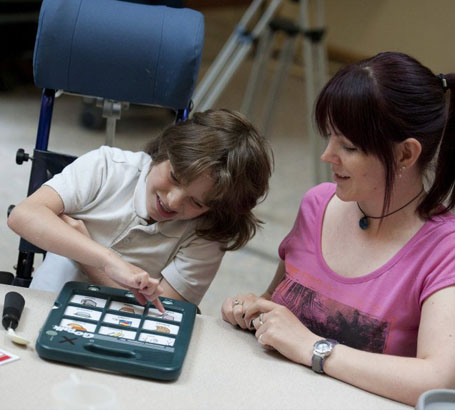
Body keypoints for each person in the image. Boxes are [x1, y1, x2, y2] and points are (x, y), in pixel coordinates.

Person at [221, 52, 455, 406]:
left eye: (348, 146)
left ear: (406, 155)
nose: (327, 155)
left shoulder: (445, 248)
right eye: (330, 137)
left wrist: (313, 348)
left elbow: (438, 380)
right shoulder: (318, 204)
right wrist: (251, 309)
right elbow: (277, 304)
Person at [8, 109, 273, 310]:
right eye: (175, 176)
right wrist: (109, 260)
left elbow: (164, 310)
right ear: (168, 149)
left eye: (197, 202)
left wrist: (88, 257)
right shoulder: (107, 167)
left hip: (125, 336)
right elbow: (23, 215)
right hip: (44, 307)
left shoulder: (209, 231)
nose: (172, 201)